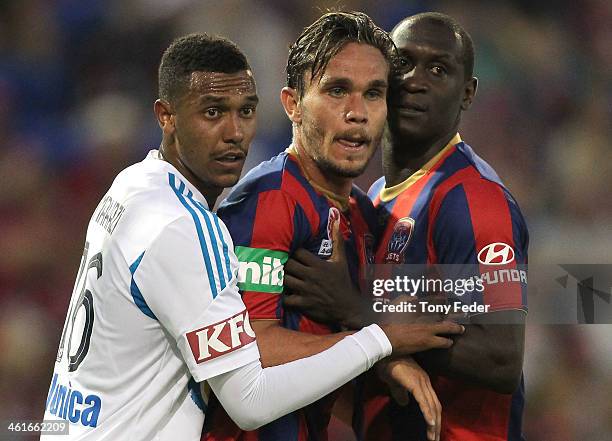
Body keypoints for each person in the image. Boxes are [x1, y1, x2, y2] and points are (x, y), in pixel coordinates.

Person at [41, 32, 464, 441]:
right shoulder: (194, 223)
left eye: (245, 111)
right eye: (212, 113)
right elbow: (250, 392)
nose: (235, 132)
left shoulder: (134, 184)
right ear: (166, 116)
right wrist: (380, 341)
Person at [284, 12, 528, 441]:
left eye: (438, 69)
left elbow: (500, 358)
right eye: (403, 64)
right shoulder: (376, 197)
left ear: (467, 92)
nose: (415, 80)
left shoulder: (475, 201)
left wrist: (358, 310)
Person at [203, 12, 447, 441]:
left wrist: (378, 352)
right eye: (337, 91)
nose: (357, 113)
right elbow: (248, 350)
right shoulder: (268, 202)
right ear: (293, 104)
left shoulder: (365, 217)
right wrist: (382, 345)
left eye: (374, 94)